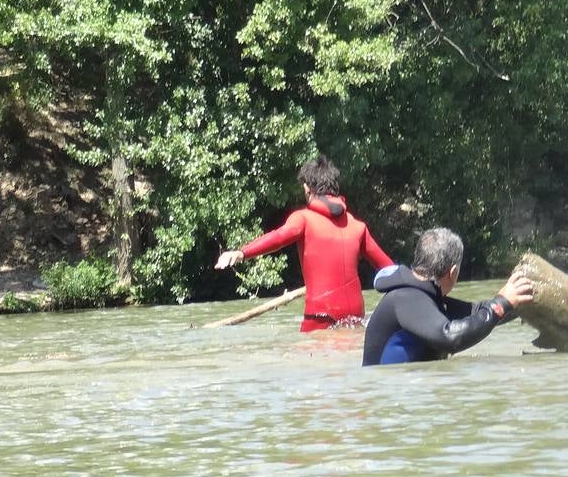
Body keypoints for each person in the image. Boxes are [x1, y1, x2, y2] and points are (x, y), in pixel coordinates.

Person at [215, 155, 393, 332]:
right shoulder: (357, 226)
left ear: (308, 189)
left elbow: (278, 238)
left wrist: (242, 253)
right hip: (356, 316)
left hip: (320, 316)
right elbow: (389, 269)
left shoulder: (303, 219)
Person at [362, 227, 534, 366]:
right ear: (453, 272)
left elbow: (475, 313)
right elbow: (450, 337)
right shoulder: (406, 298)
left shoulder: (426, 299)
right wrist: (500, 305)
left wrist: (515, 303)